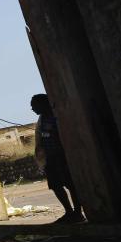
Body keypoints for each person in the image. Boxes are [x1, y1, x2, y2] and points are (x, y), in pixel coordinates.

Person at [31, 94, 83, 223]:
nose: (32, 109)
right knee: (55, 185)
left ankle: (77, 213)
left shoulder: (56, 115)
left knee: (71, 185)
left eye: (34, 106)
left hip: (63, 156)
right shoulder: (41, 120)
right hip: (51, 158)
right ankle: (69, 212)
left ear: (43, 104)